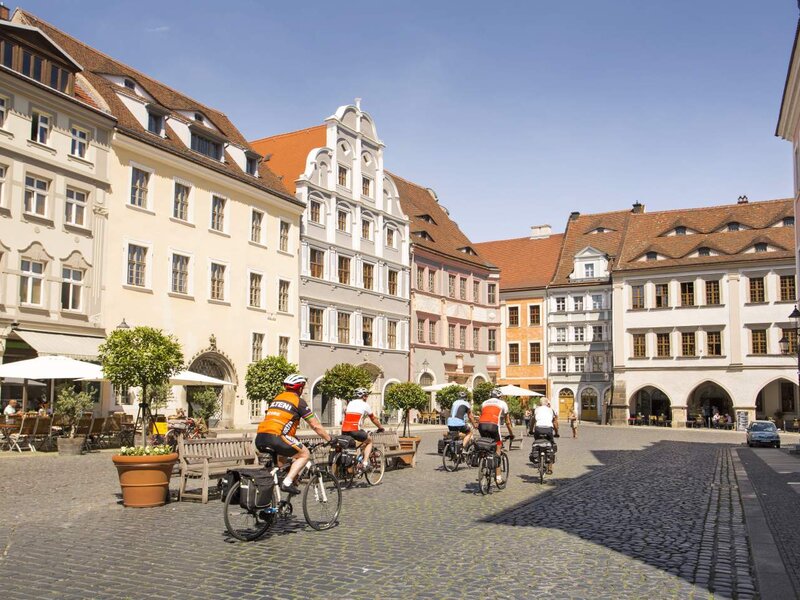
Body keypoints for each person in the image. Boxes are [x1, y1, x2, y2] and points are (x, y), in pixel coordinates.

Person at [254, 374, 332, 495]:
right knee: (305, 454)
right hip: (278, 437)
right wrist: (330, 439)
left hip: (260, 437)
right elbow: (315, 425)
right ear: (300, 388)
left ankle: (274, 497)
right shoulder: (298, 402)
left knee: (282, 461)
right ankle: (287, 482)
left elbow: (279, 422)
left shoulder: (277, 398)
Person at [341, 387, 384, 470]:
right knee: (369, 441)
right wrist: (380, 427)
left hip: (344, 430)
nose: (367, 397)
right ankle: (364, 463)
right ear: (364, 396)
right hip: (355, 429)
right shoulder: (365, 405)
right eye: (366, 396)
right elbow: (373, 419)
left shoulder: (350, 403)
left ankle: (356, 462)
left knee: (358, 443)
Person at [478, 388, 514, 485]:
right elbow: (507, 421)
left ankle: (482, 463)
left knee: (485, 444)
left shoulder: (484, 403)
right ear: (499, 396)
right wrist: (511, 434)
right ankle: (498, 478)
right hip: (493, 426)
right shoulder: (502, 403)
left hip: (481, 425)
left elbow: (483, 414)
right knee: (498, 449)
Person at [531, 398, 559, 474]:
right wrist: (556, 432)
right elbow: (555, 423)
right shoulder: (550, 410)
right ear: (547, 403)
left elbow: (533, 421)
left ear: (540, 403)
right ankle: (550, 468)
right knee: (552, 446)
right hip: (548, 430)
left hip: (538, 429)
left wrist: (531, 430)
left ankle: (538, 460)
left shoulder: (536, 409)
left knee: (536, 443)